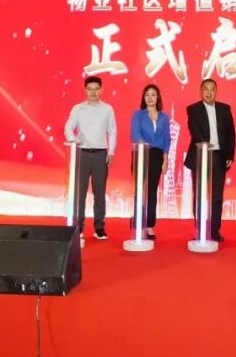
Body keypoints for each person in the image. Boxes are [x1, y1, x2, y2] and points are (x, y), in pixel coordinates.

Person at [184, 78, 236, 243]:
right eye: (205, 89)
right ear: (201, 91)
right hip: (201, 155)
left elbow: (231, 134)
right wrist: (205, 146)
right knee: (200, 195)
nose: (209, 92)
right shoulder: (193, 109)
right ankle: (201, 230)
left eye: (212, 89)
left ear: (216, 91)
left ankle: (214, 230)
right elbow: (194, 131)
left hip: (219, 157)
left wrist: (230, 155)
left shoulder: (224, 109)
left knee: (216, 195)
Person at [64, 75, 117, 240]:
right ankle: (78, 227)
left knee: (99, 193)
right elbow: (68, 127)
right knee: (79, 194)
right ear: (85, 90)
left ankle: (99, 227)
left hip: (101, 154)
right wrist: (73, 141)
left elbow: (112, 131)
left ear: (101, 90)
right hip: (82, 154)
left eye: (96, 89)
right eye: (90, 89)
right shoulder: (78, 109)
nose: (93, 92)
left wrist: (111, 152)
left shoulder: (107, 109)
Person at [129, 84, 171, 240]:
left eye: (153, 94)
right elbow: (135, 134)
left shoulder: (164, 117)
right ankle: (138, 221)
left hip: (157, 156)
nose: (150, 98)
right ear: (143, 97)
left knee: (152, 191)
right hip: (141, 153)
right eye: (147, 95)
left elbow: (167, 139)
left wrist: (165, 159)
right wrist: (144, 147)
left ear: (158, 96)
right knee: (141, 190)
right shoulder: (138, 115)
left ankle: (150, 224)